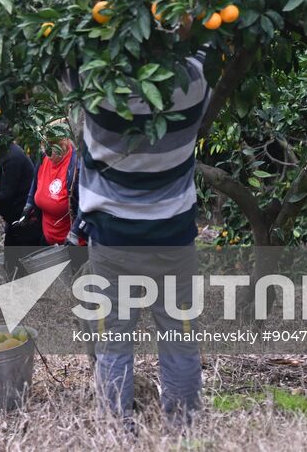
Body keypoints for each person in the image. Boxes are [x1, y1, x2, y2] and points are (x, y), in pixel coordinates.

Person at [66, 48, 212, 429]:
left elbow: (64, 54)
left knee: (113, 341)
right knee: (180, 337)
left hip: (113, 242)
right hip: (173, 240)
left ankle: (117, 428)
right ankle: (183, 428)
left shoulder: (95, 88)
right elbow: (205, 45)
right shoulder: (191, 85)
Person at [0, 122, 41, 277]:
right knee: (12, 265)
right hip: (16, 221)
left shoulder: (13, 157)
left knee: (20, 268)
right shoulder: (5, 155)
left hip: (25, 222)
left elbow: (7, 193)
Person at [20, 124, 82, 246]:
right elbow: (35, 185)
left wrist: (75, 234)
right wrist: (29, 204)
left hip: (71, 244)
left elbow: (85, 207)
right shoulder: (44, 158)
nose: (49, 156)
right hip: (48, 237)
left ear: (64, 145)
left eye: (52, 151)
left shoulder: (76, 168)